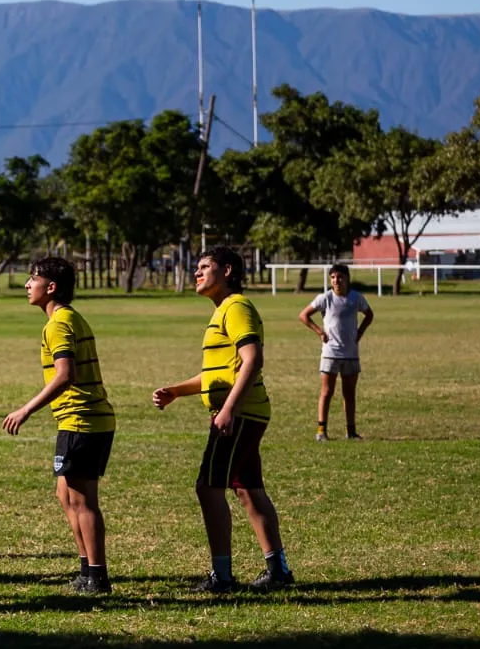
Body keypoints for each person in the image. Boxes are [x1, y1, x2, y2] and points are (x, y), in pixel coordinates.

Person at [153, 246, 294, 593]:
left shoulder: (236, 307)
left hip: (239, 414)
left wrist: (229, 408)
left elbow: (252, 359)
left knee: (208, 488)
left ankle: (223, 577)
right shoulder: (223, 312)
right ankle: (278, 570)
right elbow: (221, 372)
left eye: (205, 267)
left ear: (227, 270)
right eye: (196, 267)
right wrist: (177, 390)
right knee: (248, 489)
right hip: (244, 411)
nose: (197, 273)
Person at [1, 257, 116, 595]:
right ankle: (86, 569)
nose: (26, 285)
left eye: (32, 279)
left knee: (82, 500)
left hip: (83, 419)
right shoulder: (66, 319)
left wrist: (25, 409)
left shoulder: (58, 324)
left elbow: (66, 375)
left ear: (50, 287)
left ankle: (98, 575)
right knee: (66, 495)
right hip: (78, 419)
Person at [298, 263, 374, 442]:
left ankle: (351, 431)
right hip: (330, 353)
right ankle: (321, 430)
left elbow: (369, 315)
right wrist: (319, 332)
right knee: (327, 392)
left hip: (351, 354)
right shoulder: (325, 298)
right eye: (332, 277)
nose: (336, 281)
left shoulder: (356, 298)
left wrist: (360, 332)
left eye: (339, 277)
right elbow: (303, 315)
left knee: (349, 394)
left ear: (347, 278)